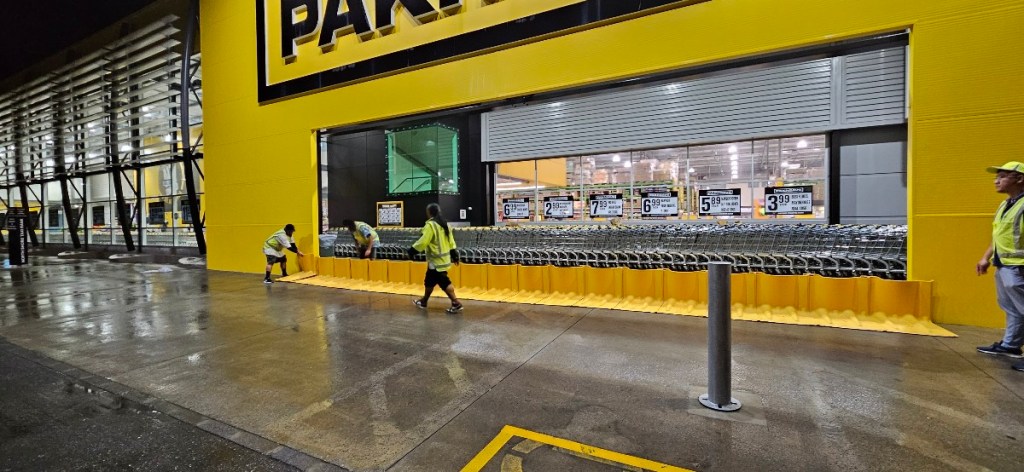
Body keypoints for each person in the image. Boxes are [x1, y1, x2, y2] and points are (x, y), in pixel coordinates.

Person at [977, 161, 1024, 372]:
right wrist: (986, 257)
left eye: (1003, 176)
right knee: (1011, 308)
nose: (996, 181)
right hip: (1004, 264)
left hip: (1019, 266)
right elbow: (999, 236)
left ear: (1019, 179)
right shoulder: (1006, 205)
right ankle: (1011, 345)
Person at [408, 203, 463, 313]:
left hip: (435, 261)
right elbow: (451, 241)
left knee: (444, 282)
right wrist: (454, 254)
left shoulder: (431, 225)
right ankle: (424, 301)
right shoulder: (445, 224)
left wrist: (412, 251)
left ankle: (456, 303)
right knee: (429, 281)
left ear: (429, 213)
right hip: (443, 260)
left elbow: (423, 241)